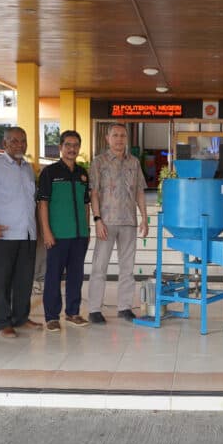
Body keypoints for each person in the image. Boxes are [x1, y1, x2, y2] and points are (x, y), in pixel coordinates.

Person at [0, 127, 40, 338]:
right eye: (14, 141)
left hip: (26, 234)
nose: (20, 145)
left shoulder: (28, 168)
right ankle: (2, 322)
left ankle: (21, 317)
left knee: (24, 279)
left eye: (23, 141)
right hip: (1, 235)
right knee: (1, 281)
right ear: (4, 144)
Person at [88, 123, 148, 323]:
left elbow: (139, 191)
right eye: (115, 135)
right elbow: (94, 193)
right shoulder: (99, 162)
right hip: (106, 222)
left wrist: (144, 218)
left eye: (123, 135)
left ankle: (125, 307)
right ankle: (94, 309)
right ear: (107, 138)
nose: (119, 139)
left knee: (127, 268)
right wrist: (97, 220)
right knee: (99, 266)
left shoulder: (134, 163)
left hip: (129, 222)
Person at [37, 130, 92, 332]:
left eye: (76, 145)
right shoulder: (49, 173)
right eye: (68, 144)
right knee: (53, 276)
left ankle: (73, 313)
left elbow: (86, 205)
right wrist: (47, 232)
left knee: (76, 276)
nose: (72, 149)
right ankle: (51, 317)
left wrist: (86, 230)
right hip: (58, 235)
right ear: (60, 147)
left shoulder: (82, 174)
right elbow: (43, 204)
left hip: (79, 235)